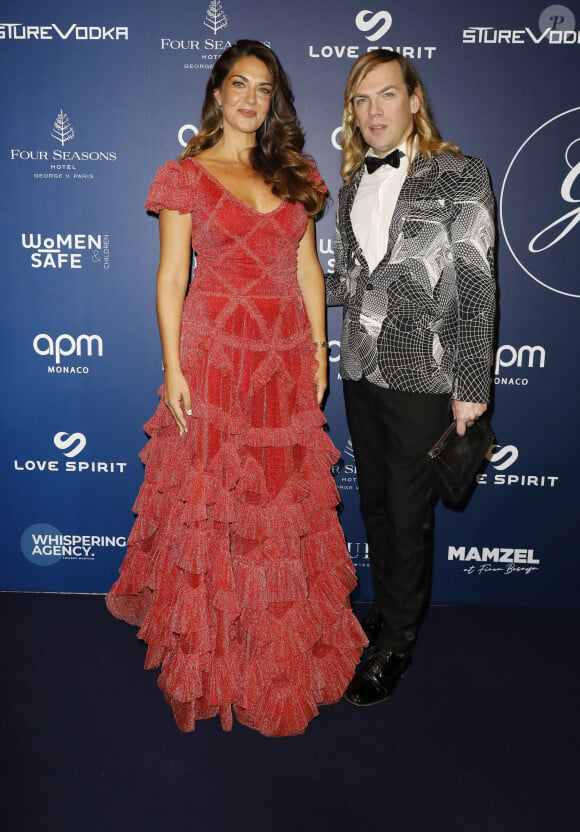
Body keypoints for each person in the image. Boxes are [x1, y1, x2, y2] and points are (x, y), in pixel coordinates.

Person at [106, 40, 366, 737]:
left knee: (279, 501)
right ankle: (217, 653)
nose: (252, 99)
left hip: (283, 357)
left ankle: (275, 647)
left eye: (264, 89)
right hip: (215, 356)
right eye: (240, 85)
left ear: (272, 99)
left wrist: (318, 348)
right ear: (218, 91)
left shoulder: (295, 171)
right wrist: (173, 366)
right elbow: (170, 279)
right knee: (217, 503)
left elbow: (309, 268)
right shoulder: (186, 174)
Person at [326, 51, 495, 706]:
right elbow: (353, 282)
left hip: (425, 376)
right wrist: (290, 286)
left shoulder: (460, 175)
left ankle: (396, 640)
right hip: (361, 373)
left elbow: (477, 287)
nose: (374, 111)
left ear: (415, 100)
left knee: (406, 512)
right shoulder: (350, 189)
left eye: (387, 95)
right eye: (361, 101)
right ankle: (387, 609)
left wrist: (471, 385)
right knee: (373, 504)